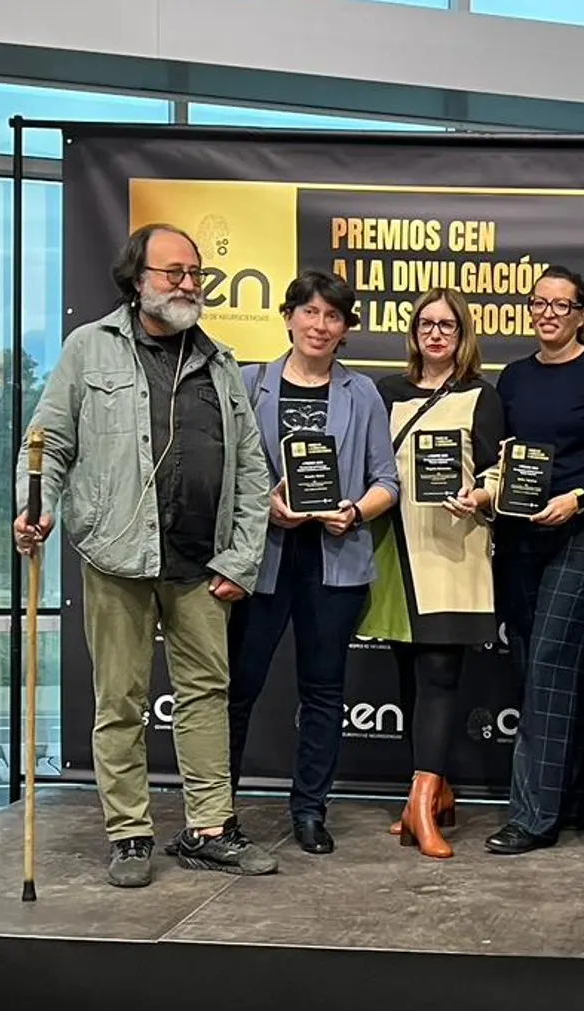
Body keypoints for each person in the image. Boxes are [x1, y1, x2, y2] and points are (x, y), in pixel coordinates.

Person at [15, 222, 278, 888]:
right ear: (138, 279)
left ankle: (210, 828)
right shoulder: (89, 349)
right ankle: (130, 833)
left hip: (201, 563)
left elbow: (252, 469)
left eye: (195, 273)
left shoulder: (220, 362)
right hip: (115, 557)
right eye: (173, 272)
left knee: (206, 696)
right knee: (121, 700)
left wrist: (241, 559)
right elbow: (46, 441)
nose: (188, 283)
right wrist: (35, 505)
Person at [228, 269, 400, 856]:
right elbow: (231, 475)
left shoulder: (363, 393)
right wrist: (266, 508)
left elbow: (388, 481)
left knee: (324, 692)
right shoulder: (251, 386)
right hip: (264, 559)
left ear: (345, 328)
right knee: (238, 688)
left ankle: (308, 810)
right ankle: (214, 811)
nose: (320, 326)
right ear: (288, 317)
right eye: (310, 313)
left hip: (335, 560)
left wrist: (354, 512)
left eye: (333, 316)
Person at [484, 266, 584, 855]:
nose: (548, 314)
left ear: (582, 313)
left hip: (583, 529)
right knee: (537, 666)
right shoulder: (513, 377)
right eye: (539, 303)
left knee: (548, 664)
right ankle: (571, 793)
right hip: (520, 536)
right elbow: (501, 456)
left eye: (561, 306)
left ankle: (532, 817)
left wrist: (578, 498)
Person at [362, 287, 505, 860]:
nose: (437, 333)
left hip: (453, 552)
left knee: (441, 675)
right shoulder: (385, 393)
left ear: (463, 333)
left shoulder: (481, 397)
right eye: (427, 323)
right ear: (414, 331)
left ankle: (421, 802)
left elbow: (501, 469)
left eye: (447, 325)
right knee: (406, 679)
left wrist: (482, 495)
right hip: (394, 550)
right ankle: (434, 789)